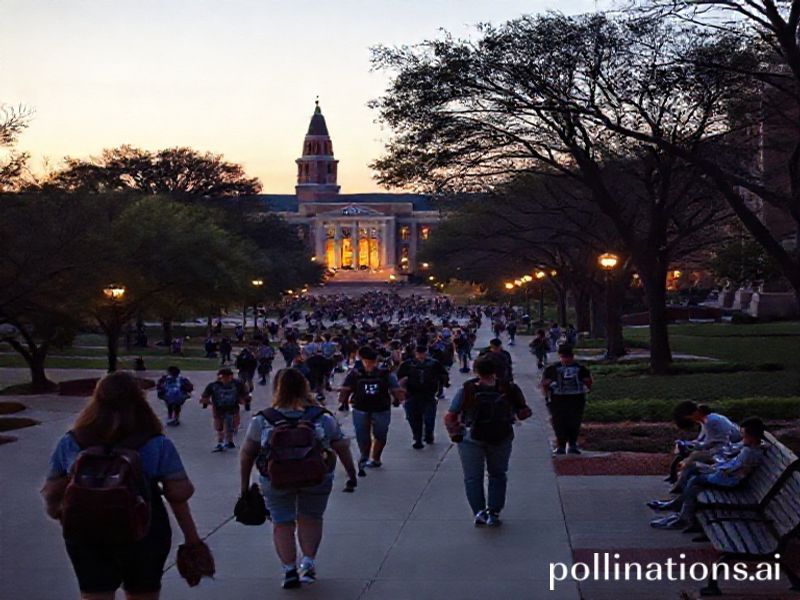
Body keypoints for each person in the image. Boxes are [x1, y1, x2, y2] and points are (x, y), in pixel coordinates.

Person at [41, 372, 210, 599]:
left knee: (95, 594)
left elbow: (51, 493)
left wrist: (66, 512)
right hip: (144, 531)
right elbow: (179, 494)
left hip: (86, 533)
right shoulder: (156, 443)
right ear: (139, 400)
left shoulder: (71, 441)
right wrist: (192, 539)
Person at [240, 368, 358, 589]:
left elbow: (247, 454)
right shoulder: (322, 417)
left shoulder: (263, 419)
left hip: (276, 478)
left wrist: (244, 486)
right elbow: (341, 446)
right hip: (316, 477)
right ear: (305, 387)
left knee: (281, 522)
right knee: (311, 517)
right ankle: (308, 564)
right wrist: (352, 474)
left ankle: (289, 570)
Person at [444, 357, 532, 527]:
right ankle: (494, 512)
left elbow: (450, 416)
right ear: (494, 371)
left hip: (471, 438)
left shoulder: (468, 390)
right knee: (498, 474)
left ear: (476, 371)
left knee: (473, 477)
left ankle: (479, 512)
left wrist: (455, 433)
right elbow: (523, 412)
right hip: (502, 436)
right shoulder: (509, 388)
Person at [650, 417, 767, 530]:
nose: (742, 438)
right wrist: (717, 462)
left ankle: (683, 518)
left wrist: (715, 467)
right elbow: (732, 454)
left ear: (752, 437)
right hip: (725, 474)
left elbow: (733, 469)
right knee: (693, 468)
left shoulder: (750, 452)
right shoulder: (750, 446)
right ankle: (678, 506)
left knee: (695, 481)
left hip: (729, 481)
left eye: (744, 436)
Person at [338, 346, 404, 474]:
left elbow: (395, 388)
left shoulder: (385, 374)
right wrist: (343, 401)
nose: (369, 364)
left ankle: (376, 457)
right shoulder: (355, 374)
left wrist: (400, 399)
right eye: (367, 362)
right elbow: (346, 388)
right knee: (362, 434)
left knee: (380, 433)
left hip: (381, 408)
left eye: (371, 362)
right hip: (360, 408)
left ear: (376, 361)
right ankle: (365, 456)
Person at [663, 401, 742, 484]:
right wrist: (689, 444)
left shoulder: (711, 421)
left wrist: (692, 446)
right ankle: (676, 478)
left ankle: (680, 483)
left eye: (689, 417)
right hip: (722, 446)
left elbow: (711, 442)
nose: (690, 419)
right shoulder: (706, 421)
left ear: (695, 413)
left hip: (727, 449)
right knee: (685, 454)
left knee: (693, 456)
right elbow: (702, 439)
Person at [541, 344, 593, 455]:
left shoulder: (552, 369)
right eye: (565, 357)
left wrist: (547, 394)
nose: (566, 359)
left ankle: (564, 445)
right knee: (570, 421)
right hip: (572, 398)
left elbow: (545, 383)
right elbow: (588, 381)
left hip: (562, 398)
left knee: (562, 421)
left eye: (567, 356)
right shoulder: (580, 368)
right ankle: (568, 444)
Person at [397, 345, 449, 449]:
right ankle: (418, 439)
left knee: (429, 417)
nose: (421, 355)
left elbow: (443, 375)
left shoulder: (433, 363)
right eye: (418, 353)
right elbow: (400, 378)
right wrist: (402, 390)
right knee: (414, 418)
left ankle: (429, 434)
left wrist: (442, 385)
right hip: (412, 395)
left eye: (423, 353)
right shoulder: (407, 364)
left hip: (428, 394)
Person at [200, 367, 251, 452]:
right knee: (219, 426)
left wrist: (246, 400)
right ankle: (220, 442)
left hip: (233, 408)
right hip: (218, 408)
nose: (224, 378)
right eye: (222, 376)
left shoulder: (237, 384)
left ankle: (229, 441)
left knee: (231, 425)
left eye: (227, 376)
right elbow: (205, 396)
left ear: (231, 376)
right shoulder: (213, 385)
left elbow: (245, 394)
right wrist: (206, 402)